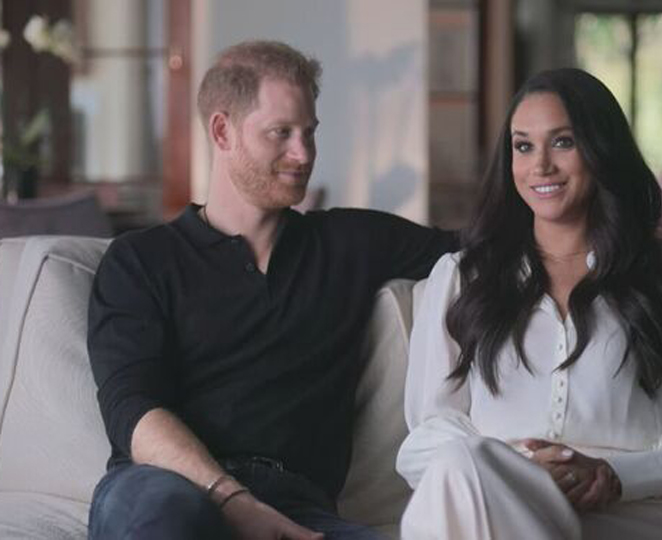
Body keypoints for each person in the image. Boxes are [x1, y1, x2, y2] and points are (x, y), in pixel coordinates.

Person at [86, 40, 458, 540]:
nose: (303, 154)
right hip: (165, 489)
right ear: (223, 131)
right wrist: (232, 499)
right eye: (281, 133)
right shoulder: (140, 260)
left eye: (309, 133)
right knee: (167, 519)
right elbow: (133, 411)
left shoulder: (349, 243)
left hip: (296, 509)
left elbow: (489, 250)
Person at [395, 68, 662, 540]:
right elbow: (424, 442)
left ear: (601, 150)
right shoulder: (463, 278)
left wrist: (614, 476)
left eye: (563, 142)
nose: (540, 165)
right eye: (523, 146)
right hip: (500, 503)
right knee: (458, 464)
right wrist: (520, 469)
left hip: (637, 516)